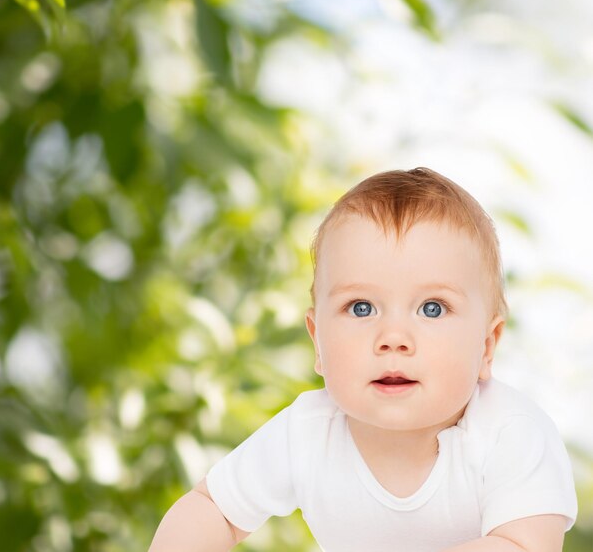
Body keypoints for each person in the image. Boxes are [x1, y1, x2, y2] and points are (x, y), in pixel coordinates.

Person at [149, 167, 578, 552]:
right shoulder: (308, 432)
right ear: (318, 343)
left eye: (432, 308)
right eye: (361, 308)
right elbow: (211, 509)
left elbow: (524, 546)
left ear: (487, 346)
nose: (393, 339)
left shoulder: (511, 432)